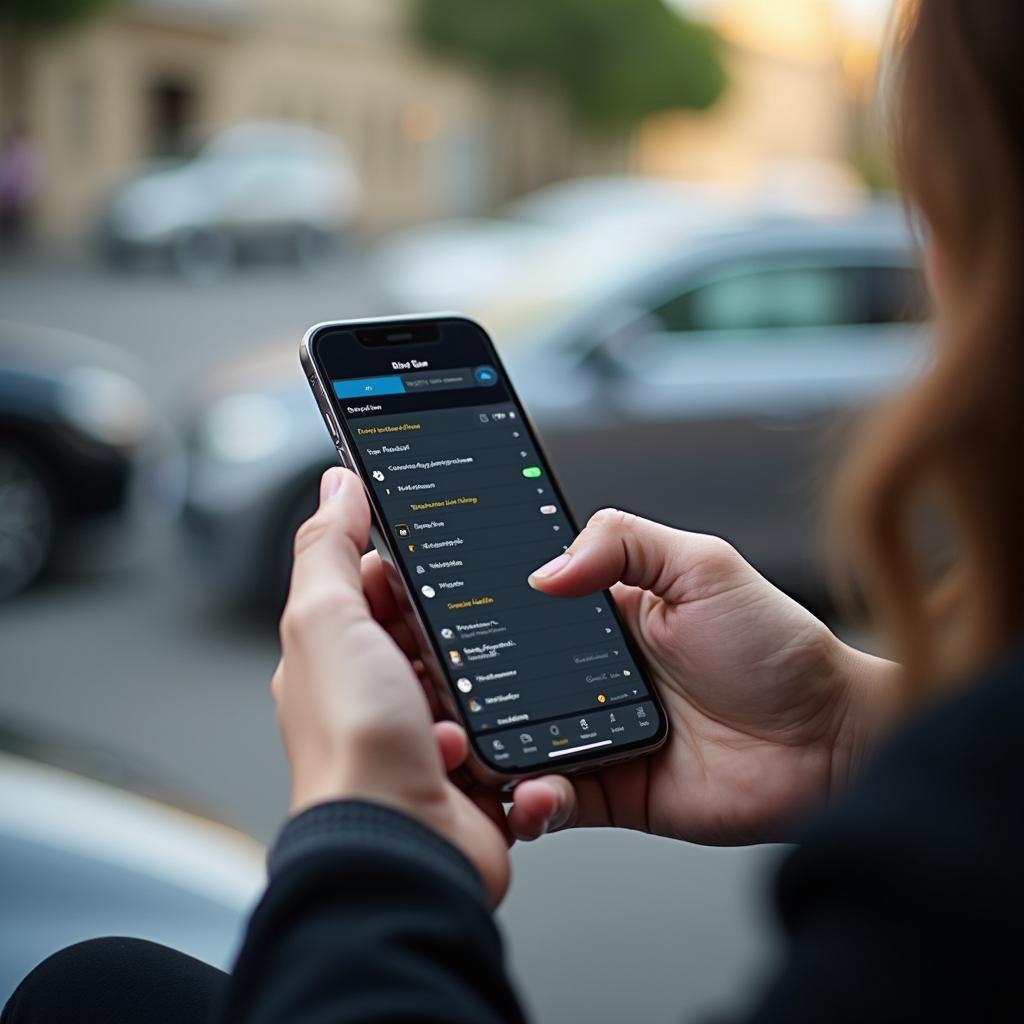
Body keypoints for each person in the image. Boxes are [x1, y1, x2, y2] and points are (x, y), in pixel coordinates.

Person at [5, 0, 1024, 1020]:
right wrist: (841, 728)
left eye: (937, 206)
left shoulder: (936, 900)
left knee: (90, 995)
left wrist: (374, 822)